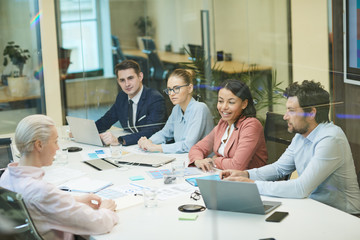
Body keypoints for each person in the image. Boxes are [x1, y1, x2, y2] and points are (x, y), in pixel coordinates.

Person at [220, 80, 360, 214]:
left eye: (291, 111)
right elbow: (279, 168)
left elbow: (301, 188)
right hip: (313, 207)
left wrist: (251, 185)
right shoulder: (301, 135)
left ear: (311, 113)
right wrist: (246, 174)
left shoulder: (331, 138)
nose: (285, 117)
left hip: (343, 215)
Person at [0, 115, 119, 239]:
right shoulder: (41, 191)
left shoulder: (6, 176)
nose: (57, 148)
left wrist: (77, 199)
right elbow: (98, 224)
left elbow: (44, 203)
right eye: (55, 141)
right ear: (39, 145)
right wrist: (106, 210)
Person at [188, 79, 267, 171]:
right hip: (223, 176)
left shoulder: (251, 125)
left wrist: (214, 160)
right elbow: (197, 148)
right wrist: (198, 160)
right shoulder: (223, 124)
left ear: (244, 104)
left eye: (231, 102)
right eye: (221, 101)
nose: (224, 107)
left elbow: (237, 166)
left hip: (247, 182)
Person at [137, 69, 214, 153]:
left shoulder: (200, 108)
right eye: (169, 89)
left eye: (176, 88)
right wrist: (148, 141)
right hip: (183, 159)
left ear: (190, 88)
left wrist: (155, 147)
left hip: (203, 162)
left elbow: (187, 146)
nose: (171, 93)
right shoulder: (177, 109)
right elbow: (164, 133)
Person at [95, 60, 166, 146]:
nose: (127, 84)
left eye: (130, 78)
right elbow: (106, 120)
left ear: (140, 77)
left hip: (153, 146)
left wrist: (120, 140)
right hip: (133, 146)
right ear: (118, 81)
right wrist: (82, 132)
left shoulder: (154, 98)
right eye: (122, 80)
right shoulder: (122, 97)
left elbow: (150, 131)